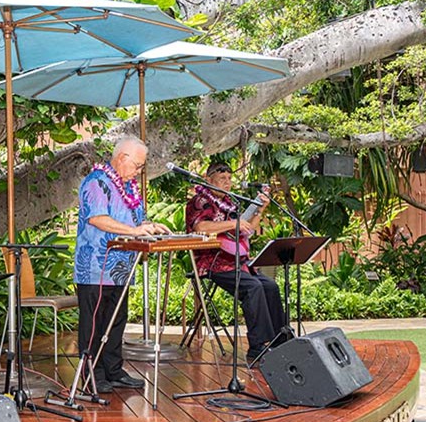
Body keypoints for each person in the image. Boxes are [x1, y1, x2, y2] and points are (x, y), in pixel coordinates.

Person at [74, 137, 169, 394]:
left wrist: (150, 227)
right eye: (137, 165)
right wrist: (135, 231)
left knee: (116, 321)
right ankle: (92, 375)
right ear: (122, 158)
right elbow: (98, 218)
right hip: (95, 268)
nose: (139, 171)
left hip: (121, 269)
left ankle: (113, 370)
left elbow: (135, 222)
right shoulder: (96, 182)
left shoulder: (129, 188)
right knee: (94, 325)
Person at [184, 159, 290, 361]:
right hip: (213, 262)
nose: (227, 182)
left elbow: (247, 229)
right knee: (253, 287)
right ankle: (257, 346)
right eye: (222, 178)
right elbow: (201, 227)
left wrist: (260, 209)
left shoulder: (231, 202)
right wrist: (233, 223)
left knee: (270, 286)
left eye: (229, 178)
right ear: (208, 180)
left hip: (238, 262)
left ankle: (279, 340)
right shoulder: (199, 202)